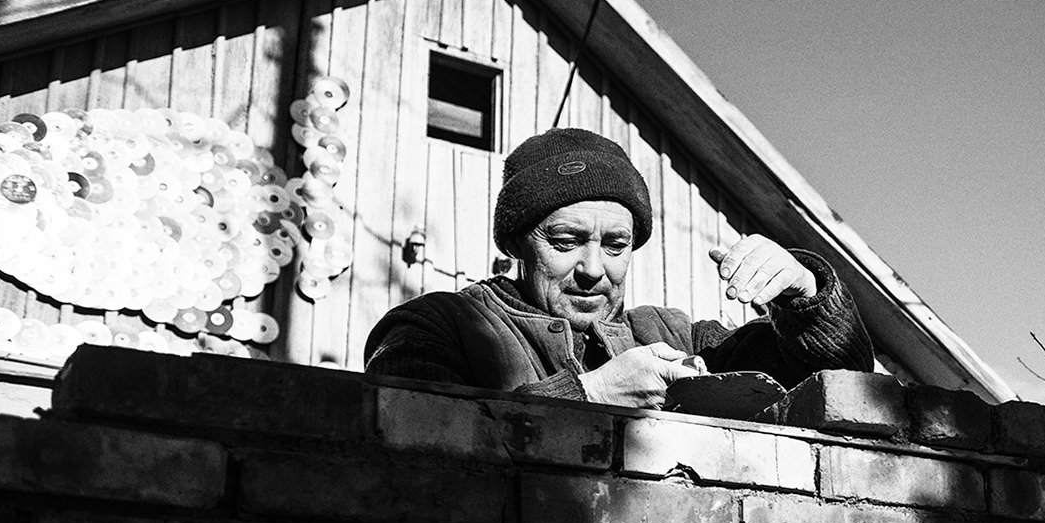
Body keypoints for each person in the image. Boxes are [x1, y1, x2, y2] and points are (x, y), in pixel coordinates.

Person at [364, 127, 874, 406]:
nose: (592, 268)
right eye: (565, 241)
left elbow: (840, 385)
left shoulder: (678, 335)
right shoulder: (435, 326)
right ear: (519, 243)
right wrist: (590, 394)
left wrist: (805, 294)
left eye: (615, 245)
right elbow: (411, 445)